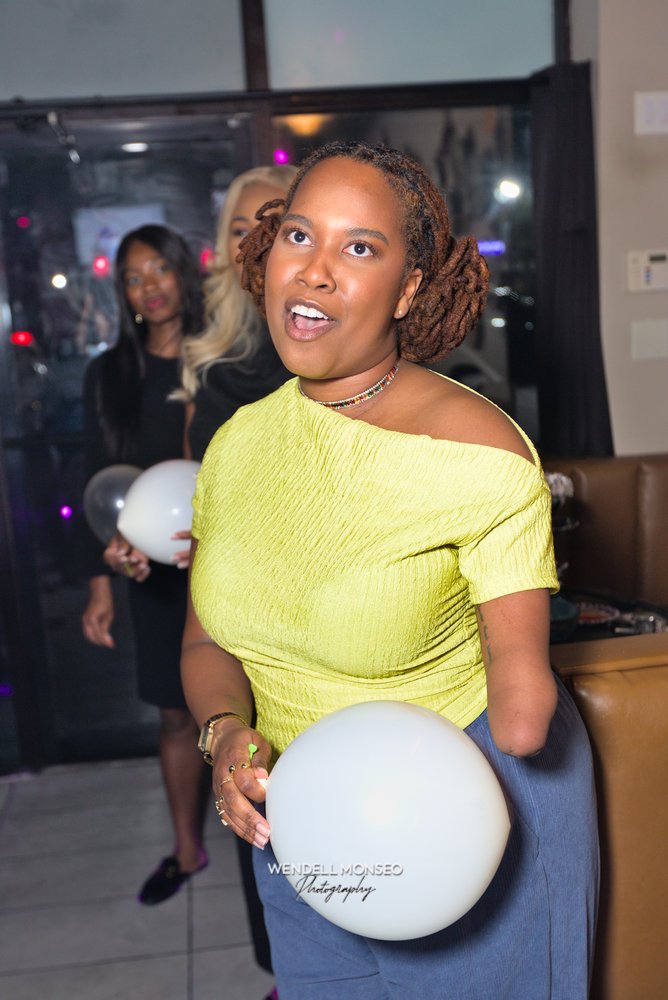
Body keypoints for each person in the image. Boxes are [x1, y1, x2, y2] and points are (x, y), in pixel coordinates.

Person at [181, 142, 599, 999]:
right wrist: (226, 735)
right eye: (300, 235)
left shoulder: (477, 450)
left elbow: (523, 722)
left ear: (410, 290)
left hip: (468, 824)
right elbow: (204, 641)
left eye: (360, 247)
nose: (316, 270)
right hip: (299, 827)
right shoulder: (234, 447)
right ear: (266, 257)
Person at [177, 164, 296, 994]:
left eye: (278, 220)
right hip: (247, 610)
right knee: (257, 786)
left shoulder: (346, 346)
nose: (260, 238)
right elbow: (204, 501)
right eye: (243, 225)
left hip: (341, 604)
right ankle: (287, 968)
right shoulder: (218, 369)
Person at [81, 224, 209, 905]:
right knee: (175, 717)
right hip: (151, 574)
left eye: (159, 268)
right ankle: (187, 850)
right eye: (133, 278)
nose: (149, 286)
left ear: (183, 272)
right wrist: (101, 583)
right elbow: (98, 476)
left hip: (234, 564)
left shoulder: (225, 358)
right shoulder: (111, 375)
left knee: (254, 710)